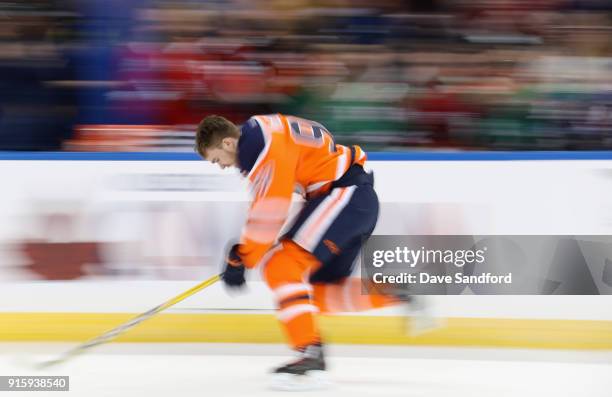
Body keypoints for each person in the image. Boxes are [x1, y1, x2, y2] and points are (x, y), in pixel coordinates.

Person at [195, 114, 401, 389]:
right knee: (314, 293)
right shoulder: (264, 130)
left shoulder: (260, 148)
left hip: (343, 196)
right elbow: (274, 199)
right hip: (353, 200)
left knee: (279, 267)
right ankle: (393, 291)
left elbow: (271, 208)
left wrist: (243, 257)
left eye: (216, 159)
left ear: (229, 143)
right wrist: (244, 253)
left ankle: (310, 355)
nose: (220, 167)